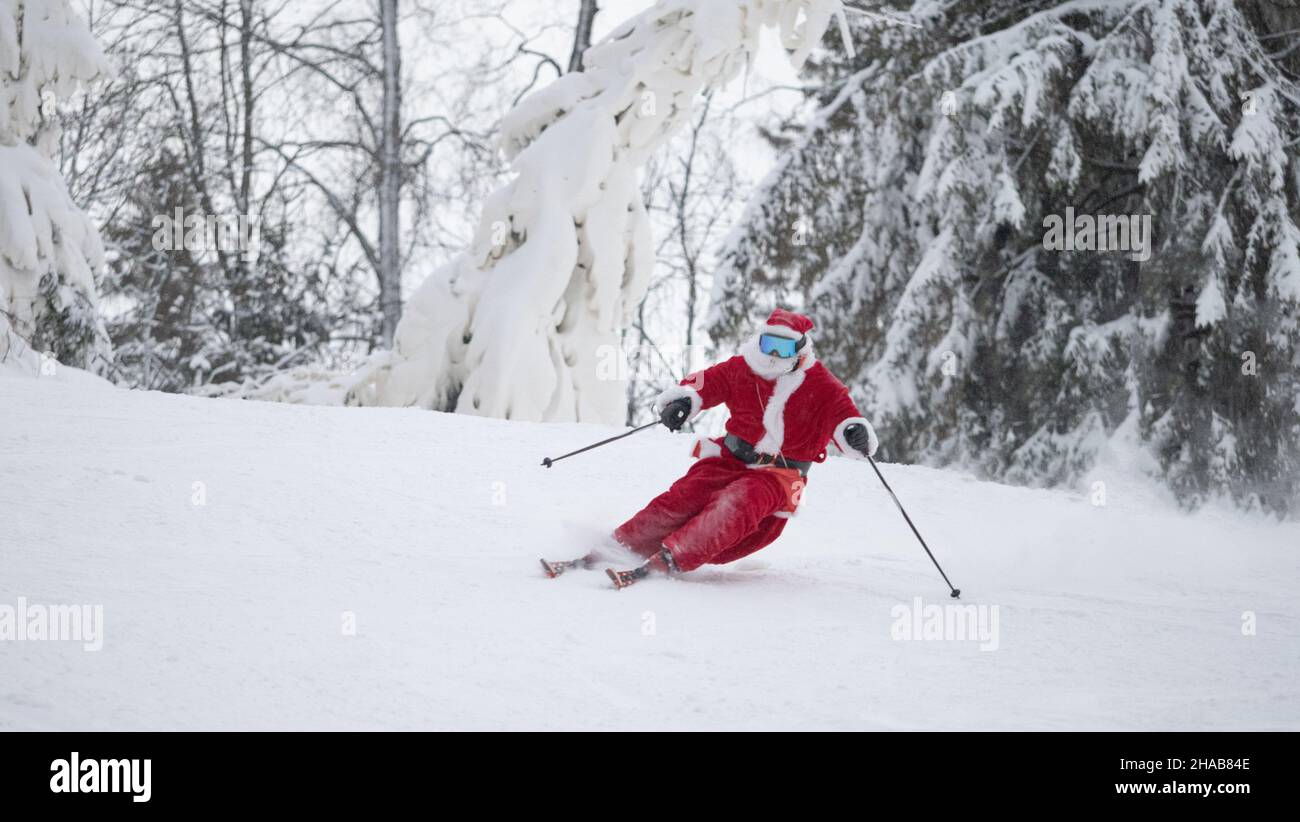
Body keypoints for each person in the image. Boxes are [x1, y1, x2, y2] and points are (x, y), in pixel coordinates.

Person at [602, 308, 879, 588]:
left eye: (783, 348)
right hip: (729, 459)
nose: (774, 355)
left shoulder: (823, 386)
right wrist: (683, 401)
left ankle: (670, 559)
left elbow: (846, 417)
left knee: (738, 501)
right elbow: (705, 383)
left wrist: (854, 432)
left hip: (778, 477)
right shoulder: (743, 368)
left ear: (800, 349)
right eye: (768, 345)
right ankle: (619, 547)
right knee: (683, 497)